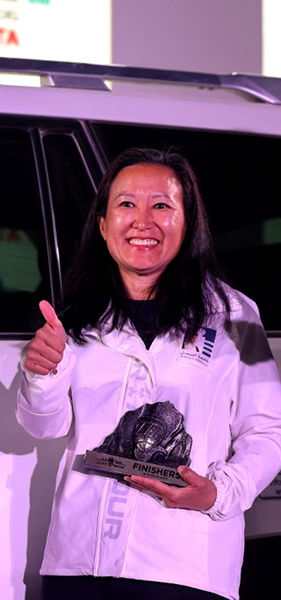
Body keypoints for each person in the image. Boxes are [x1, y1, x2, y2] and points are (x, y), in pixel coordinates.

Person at [17, 148, 281, 600]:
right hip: (79, 562)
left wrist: (218, 494)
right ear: (103, 225)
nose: (143, 220)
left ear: (187, 221)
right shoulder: (76, 318)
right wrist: (43, 374)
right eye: (125, 204)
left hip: (183, 565)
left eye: (161, 205)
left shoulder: (234, 315)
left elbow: (268, 430)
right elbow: (45, 426)